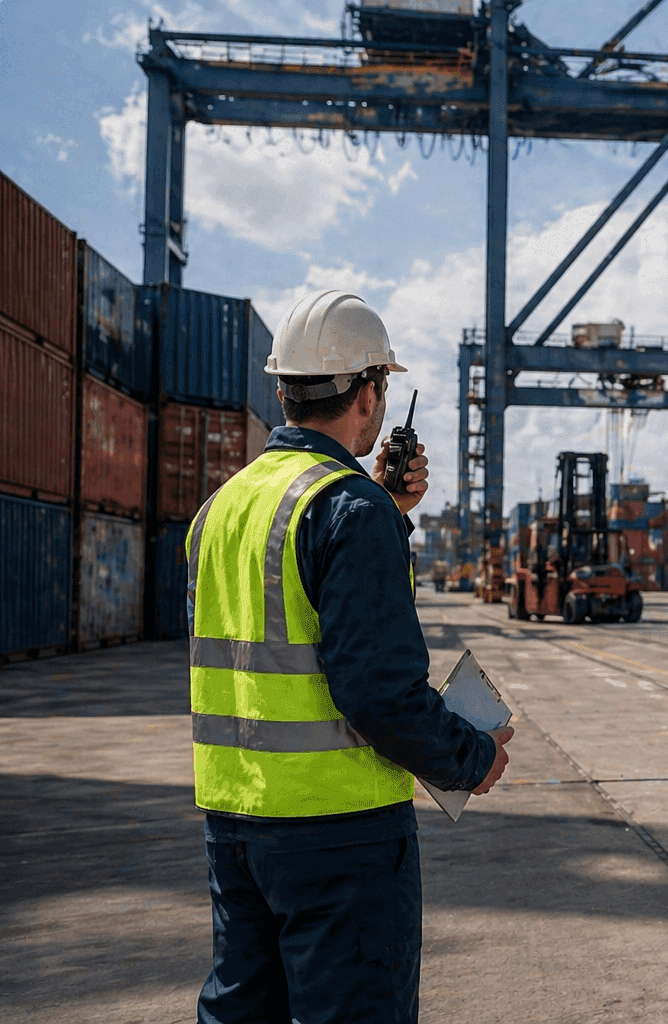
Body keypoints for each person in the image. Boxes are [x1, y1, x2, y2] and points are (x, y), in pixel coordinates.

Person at [187, 290, 515, 1024]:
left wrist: (384, 512)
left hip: (234, 819)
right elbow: (378, 693)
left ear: (282, 391)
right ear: (370, 392)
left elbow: (273, 636)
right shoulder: (350, 510)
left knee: (245, 1012)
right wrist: (470, 757)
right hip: (341, 833)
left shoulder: (223, 507)